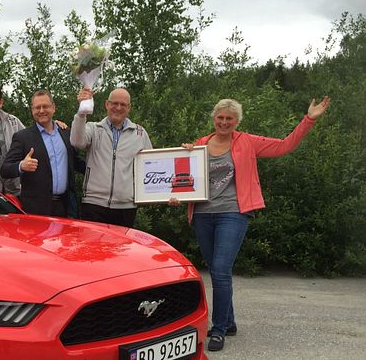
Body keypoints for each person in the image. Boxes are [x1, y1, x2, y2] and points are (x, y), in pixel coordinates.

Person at [169, 96, 331, 352]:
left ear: (237, 121)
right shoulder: (200, 143)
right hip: (202, 214)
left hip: (233, 212)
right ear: (214, 118)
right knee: (215, 270)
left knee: (221, 270)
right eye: (220, 117)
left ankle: (219, 328)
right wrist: (178, 193)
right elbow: (185, 178)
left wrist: (309, 119)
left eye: (229, 119)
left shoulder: (247, 142)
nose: (224, 122)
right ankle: (230, 322)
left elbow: (285, 146)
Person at [70, 87, 152, 227]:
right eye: (114, 103)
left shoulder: (139, 133)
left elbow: (151, 167)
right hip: (94, 204)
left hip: (126, 207)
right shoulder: (93, 128)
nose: (118, 108)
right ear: (107, 104)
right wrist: (81, 112)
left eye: (123, 104)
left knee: (121, 249)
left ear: (129, 107)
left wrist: (165, 194)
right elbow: (77, 142)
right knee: (94, 249)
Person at [0, 90, 85, 217]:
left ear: (53, 107)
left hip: (65, 207)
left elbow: (76, 162)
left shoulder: (66, 133)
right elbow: (5, 170)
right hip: (36, 210)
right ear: (32, 110)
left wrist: (98, 171)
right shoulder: (22, 137)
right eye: (37, 107)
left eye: (45, 106)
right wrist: (21, 166)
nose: (41, 111)